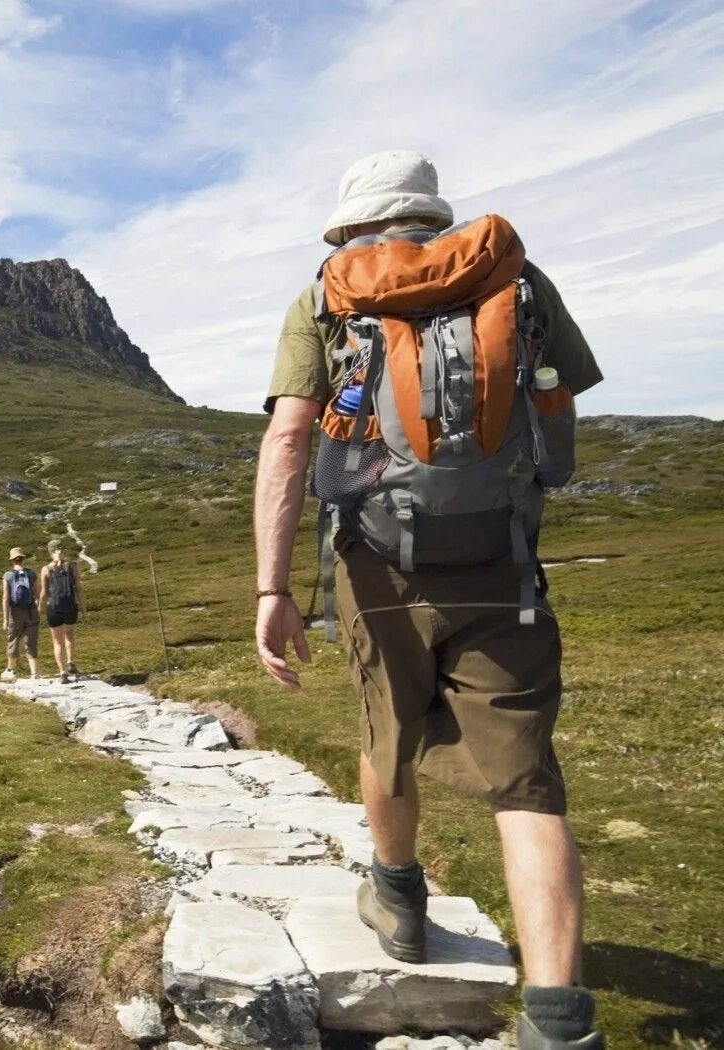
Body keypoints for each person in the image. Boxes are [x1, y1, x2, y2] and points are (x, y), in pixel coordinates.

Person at [253, 151, 605, 1049]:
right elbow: (559, 403)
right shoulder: (515, 280)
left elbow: (292, 438)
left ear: (354, 224)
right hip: (503, 559)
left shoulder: (328, 297)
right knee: (526, 782)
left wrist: (272, 587)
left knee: (387, 729)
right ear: (428, 213)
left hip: (376, 569)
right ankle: (559, 1021)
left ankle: (399, 900)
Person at [39, 537, 82, 684]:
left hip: (54, 607)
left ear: (51, 552)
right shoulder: (73, 566)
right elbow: (78, 588)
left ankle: (62, 672)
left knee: (57, 641)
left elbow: (44, 592)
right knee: (69, 634)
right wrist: (83, 606)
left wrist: (41, 607)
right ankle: (70, 661)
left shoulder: (46, 569)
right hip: (70, 606)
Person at [0, 547, 40, 680]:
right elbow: (39, 594)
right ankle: (34, 673)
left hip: (15, 613)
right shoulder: (32, 574)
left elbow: (6, 598)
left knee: (13, 639)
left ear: (12, 561)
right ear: (23, 559)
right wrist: (37, 609)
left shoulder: (8, 575)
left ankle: (11, 669)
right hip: (31, 611)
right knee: (31, 641)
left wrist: (5, 619)